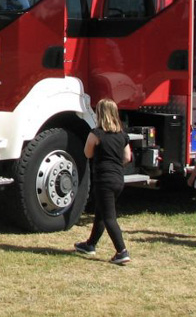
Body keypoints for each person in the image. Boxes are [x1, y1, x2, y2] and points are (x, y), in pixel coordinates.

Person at [74, 98, 132, 265]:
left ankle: (122, 251)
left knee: (109, 217)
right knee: (101, 212)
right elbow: (127, 157)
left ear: (100, 114)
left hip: (103, 179)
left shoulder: (96, 134)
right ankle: (90, 244)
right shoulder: (122, 135)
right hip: (118, 179)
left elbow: (88, 154)